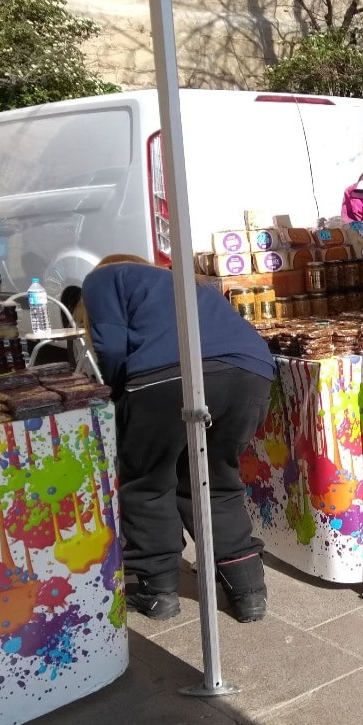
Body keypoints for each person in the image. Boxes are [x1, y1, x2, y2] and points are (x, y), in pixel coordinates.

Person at [80, 254, 276, 622]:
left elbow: (111, 348)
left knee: (148, 484)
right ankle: (248, 591)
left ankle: (156, 591)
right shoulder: (187, 282)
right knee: (217, 481)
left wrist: (119, 397)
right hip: (251, 370)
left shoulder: (102, 278)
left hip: (165, 376)